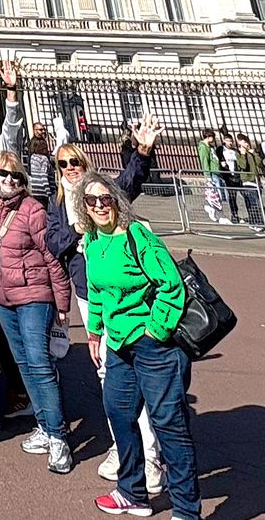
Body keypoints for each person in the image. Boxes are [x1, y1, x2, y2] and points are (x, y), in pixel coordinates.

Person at [47, 117, 163, 486]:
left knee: (132, 373)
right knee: (106, 374)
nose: (70, 170)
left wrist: (142, 151)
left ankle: (151, 455)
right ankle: (123, 445)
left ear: (85, 164)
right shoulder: (59, 205)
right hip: (89, 296)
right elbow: (53, 244)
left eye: (75, 163)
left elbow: (130, 180)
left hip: (128, 297)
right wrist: (75, 229)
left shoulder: (103, 194)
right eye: (63, 164)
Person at [77, 172, 200, 520]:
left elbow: (171, 285)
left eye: (105, 198)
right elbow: (96, 291)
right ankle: (133, 492)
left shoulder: (137, 236)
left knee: (168, 423)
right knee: (118, 413)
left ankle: (187, 510)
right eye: (91, 200)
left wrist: (154, 330)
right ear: (83, 206)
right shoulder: (94, 241)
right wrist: (95, 331)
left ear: (116, 199)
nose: (99, 205)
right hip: (118, 345)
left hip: (153, 346)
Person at [0, 153, 73, 474]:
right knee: (22, 363)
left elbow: (51, 258)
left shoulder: (32, 209)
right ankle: (45, 425)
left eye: (16, 176)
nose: (9, 181)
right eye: (3, 174)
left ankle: (59, 436)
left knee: (39, 363)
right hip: (4, 297)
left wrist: (62, 303)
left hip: (34, 296)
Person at [235, 133, 264, 230]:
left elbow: (259, 162)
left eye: (246, 142)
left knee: (257, 202)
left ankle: (254, 222)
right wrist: (243, 154)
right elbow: (242, 165)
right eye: (243, 142)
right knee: (254, 203)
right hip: (247, 180)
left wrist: (254, 153)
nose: (246, 144)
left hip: (255, 180)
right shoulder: (238, 153)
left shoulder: (251, 153)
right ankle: (257, 222)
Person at [196, 128, 224, 223]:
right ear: (208, 137)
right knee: (216, 193)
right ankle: (215, 210)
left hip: (216, 171)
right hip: (212, 172)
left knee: (218, 193)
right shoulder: (203, 147)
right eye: (212, 137)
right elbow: (205, 161)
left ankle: (214, 209)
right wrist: (207, 175)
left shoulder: (210, 147)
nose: (214, 139)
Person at [217, 131, 244, 224]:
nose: (230, 143)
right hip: (228, 177)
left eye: (231, 141)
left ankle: (252, 213)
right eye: (228, 141)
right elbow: (220, 160)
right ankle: (234, 215)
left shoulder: (235, 151)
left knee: (245, 194)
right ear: (224, 141)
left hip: (237, 176)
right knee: (232, 197)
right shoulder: (221, 150)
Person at [27, 135, 54, 206]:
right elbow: (44, 176)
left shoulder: (32, 158)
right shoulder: (44, 159)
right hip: (43, 192)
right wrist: (49, 193)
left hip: (34, 191)